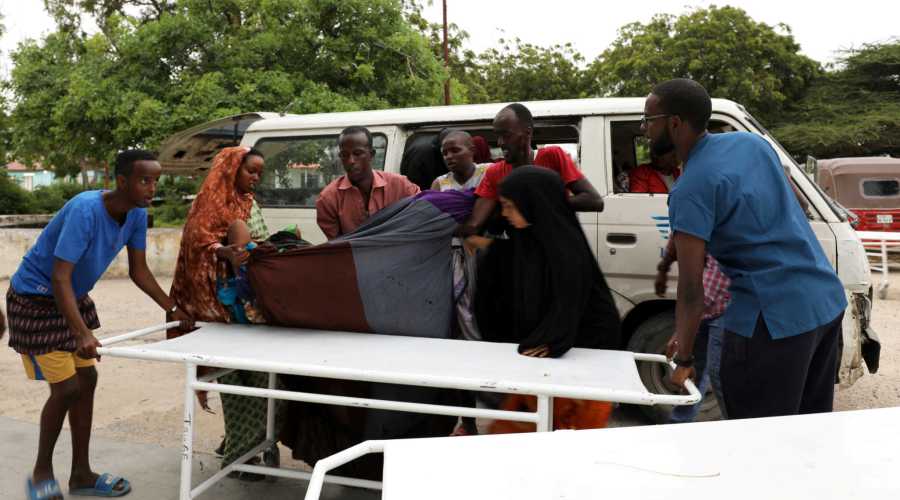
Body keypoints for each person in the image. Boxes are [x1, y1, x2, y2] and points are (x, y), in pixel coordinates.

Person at [645, 79, 847, 419]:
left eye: (648, 119)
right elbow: (791, 200)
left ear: (674, 123)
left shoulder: (690, 188)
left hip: (772, 320)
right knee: (810, 430)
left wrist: (684, 359)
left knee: (758, 437)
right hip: (824, 301)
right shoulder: (752, 144)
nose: (645, 129)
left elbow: (692, 289)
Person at [7, 149, 192, 499]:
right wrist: (83, 333)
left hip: (70, 298)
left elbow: (138, 270)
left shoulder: (137, 214)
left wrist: (172, 307)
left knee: (87, 378)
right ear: (121, 181)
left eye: (156, 181)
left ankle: (81, 474)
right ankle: (41, 473)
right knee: (66, 389)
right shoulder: (85, 209)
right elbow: (60, 277)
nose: (152, 188)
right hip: (35, 298)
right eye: (144, 180)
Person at [168, 146, 278, 479]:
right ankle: (238, 460)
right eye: (250, 171)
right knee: (232, 382)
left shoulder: (248, 203)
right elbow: (197, 245)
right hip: (214, 306)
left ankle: (244, 443)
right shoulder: (208, 203)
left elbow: (255, 242)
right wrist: (222, 251)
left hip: (247, 305)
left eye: (259, 172)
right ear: (231, 170)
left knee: (261, 379)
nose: (256, 178)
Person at [458, 103, 604, 236]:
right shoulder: (494, 173)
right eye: (498, 136)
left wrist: (540, 204)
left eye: (506, 135)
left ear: (527, 133)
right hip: (523, 256)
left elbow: (594, 200)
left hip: (557, 251)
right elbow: (480, 225)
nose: (500, 142)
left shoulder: (552, 156)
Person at [317, 126, 421, 240]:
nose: (351, 161)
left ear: (371, 154)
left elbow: (422, 213)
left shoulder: (401, 185)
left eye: (357, 153)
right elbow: (337, 246)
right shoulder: (328, 199)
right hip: (354, 256)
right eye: (344, 155)